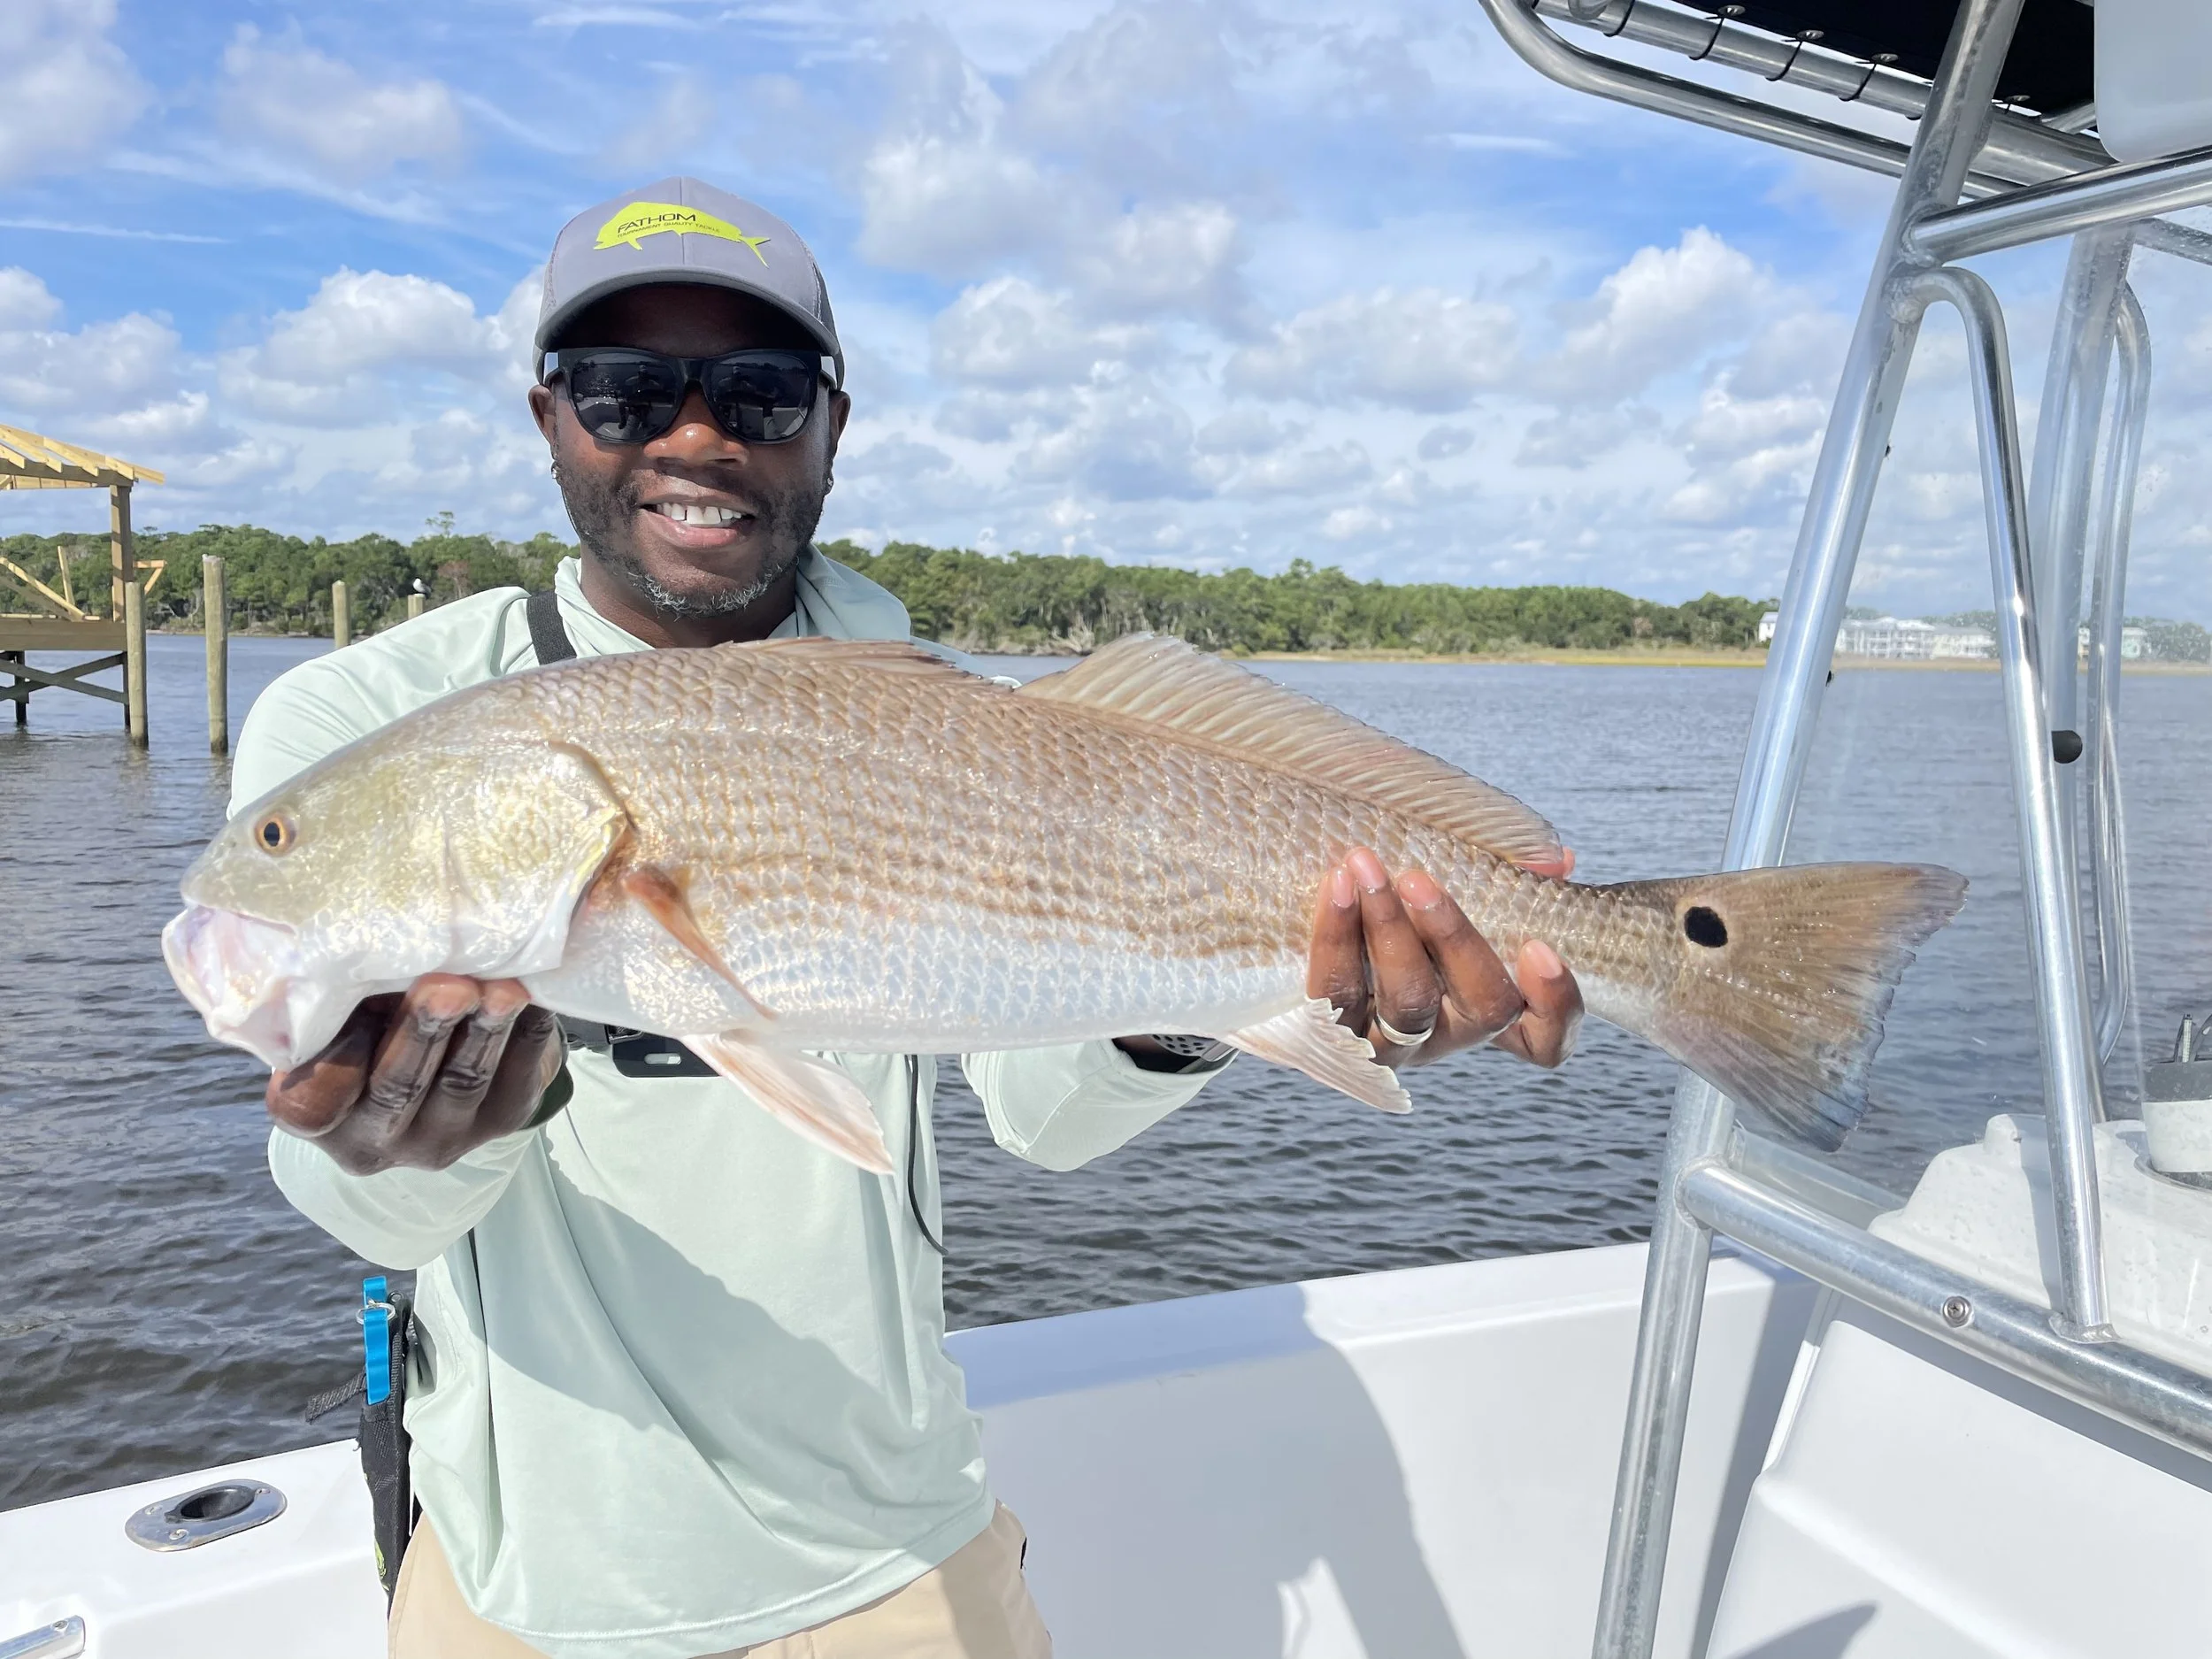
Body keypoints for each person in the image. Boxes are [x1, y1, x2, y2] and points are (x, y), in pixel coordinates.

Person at [237, 178, 1584, 1659]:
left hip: (905, 1559)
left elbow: (1043, 1116)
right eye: (626, 392)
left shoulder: (937, 702)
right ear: (550, 416)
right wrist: (402, 1146)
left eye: (758, 389)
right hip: (540, 1588)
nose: (696, 435)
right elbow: (359, 1201)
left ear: (832, 423)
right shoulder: (371, 719)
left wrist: (1249, 992)